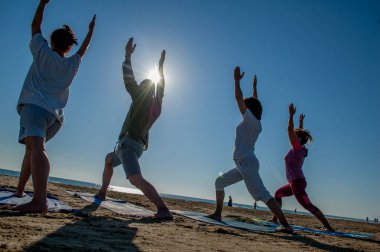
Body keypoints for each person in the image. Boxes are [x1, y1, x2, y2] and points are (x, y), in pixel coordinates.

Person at [13, 0, 96, 213]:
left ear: (51, 41)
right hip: (55, 118)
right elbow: (84, 50)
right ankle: (21, 190)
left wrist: (42, 3)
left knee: (37, 149)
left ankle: (40, 201)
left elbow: (35, 26)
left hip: (34, 108)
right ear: (69, 46)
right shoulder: (71, 64)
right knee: (32, 149)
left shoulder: (42, 52)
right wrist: (90, 32)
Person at [207, 67, 293, 233]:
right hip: (242, 163)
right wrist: (254, 86)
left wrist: (237, 81)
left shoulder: (251, 121)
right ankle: (218, 213)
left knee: (263, 195)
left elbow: (238, 98)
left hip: (246, 162)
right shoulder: (254, 120)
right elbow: (254, 101)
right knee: (219, 182)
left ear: (250, 109)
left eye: (246, 106)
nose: (242, 107)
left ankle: (286, 226)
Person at [95, 38, 172, 220]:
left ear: (144, 88)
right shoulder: (156, 101)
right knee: (108, 160)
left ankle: (163, 209)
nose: (138, 86)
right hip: (130, 146)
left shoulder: (141, 96)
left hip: (129, 145)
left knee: (135, 178)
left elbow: (129, 79)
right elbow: (161, 84)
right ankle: (102, 192)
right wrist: (161, 66)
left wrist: (128, 55)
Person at [270, 104, 335, 232]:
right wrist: (300, 122)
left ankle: (328, 227)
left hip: (297, 182)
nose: (291, 137)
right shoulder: (300, 149)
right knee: (278, 194)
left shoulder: (297, 149)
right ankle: (275, 218)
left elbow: (289, 131)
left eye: (295, 136)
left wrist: (290, 116)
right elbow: (299, 134)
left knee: (307, 205)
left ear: (298, 139)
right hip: (294, 182)